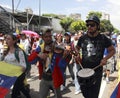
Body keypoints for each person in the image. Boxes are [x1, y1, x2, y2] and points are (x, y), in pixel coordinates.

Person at [75, 15, 115, 98]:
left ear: (98, 26)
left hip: (97, 71)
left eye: (92, 25)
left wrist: (105, 59)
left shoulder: (103, 38)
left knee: (93, 95)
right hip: (83, 70)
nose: (89, 27)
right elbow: (77, 48)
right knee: (85, 94)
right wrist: (77, 55)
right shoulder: (82, 38)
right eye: (88, 25)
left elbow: (112, 50)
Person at [1, 33, 31, 98]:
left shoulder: (19, 51)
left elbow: (24, 66)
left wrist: (16, 70)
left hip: (18, 76)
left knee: (14, 94)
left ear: (14, 41)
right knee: (21, 88)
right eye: (6, 39)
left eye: (8, 39)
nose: (6, 40)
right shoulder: (6, 51)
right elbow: (2, 62)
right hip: (10, 75)